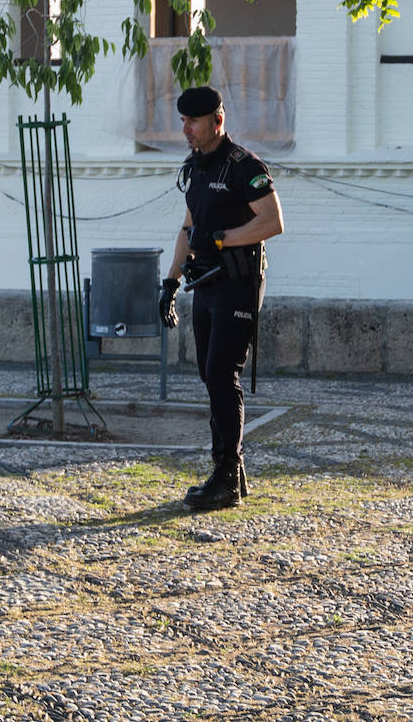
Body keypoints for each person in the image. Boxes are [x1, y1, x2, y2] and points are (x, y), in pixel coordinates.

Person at [158, 86, 284, 511]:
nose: (186, 129)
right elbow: (188, 228)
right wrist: (170, 283)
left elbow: (273, 222)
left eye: (193, 122)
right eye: (183, 121)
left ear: (218, 121)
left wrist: (220, 239)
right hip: (207, 284)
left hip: (239, 283)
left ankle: (226, 476)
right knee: (210, 377)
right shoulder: (197, 168)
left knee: (221, 373)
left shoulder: (244, 166)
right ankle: (233, 472)